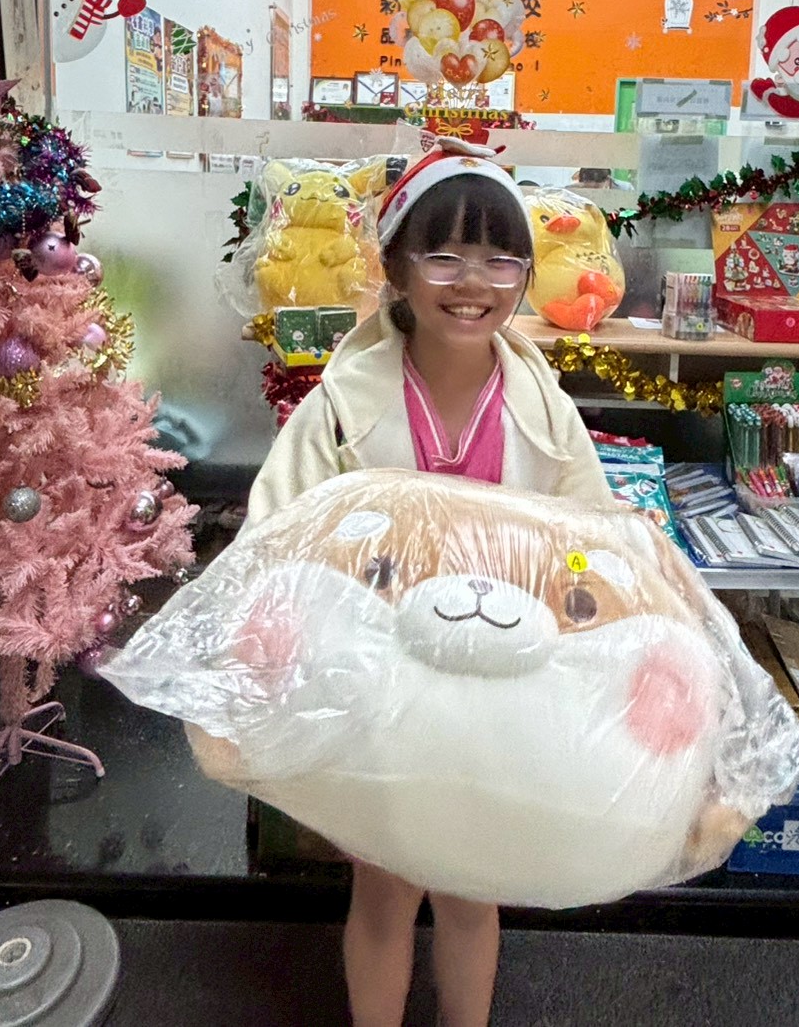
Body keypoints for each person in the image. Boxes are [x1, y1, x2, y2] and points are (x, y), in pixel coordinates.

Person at [240, 137, 615, 1027]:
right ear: (396, 268)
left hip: (498, 689)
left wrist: (585, 599)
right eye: (443, 255)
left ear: (526, 275)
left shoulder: (544, 410)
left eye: (499, 258)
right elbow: (276, 531)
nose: (472, 281)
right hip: (378, 689)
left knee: (472, 891)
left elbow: (591, 540)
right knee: (383, 887)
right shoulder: (341, 405)